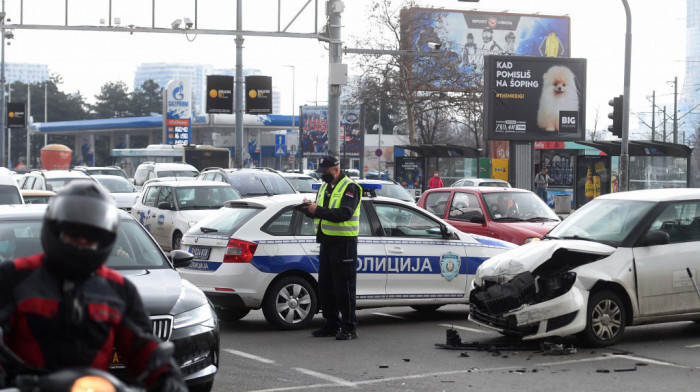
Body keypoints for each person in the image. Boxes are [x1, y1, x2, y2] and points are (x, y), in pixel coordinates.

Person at [0, 182, 186, 391]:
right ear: (55, 230)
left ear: (104, 240)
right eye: (73, 234)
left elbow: (144, 347)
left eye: (91, 238)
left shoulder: (118, 290)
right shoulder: (13, 277)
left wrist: (167, 379)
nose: (82, 242)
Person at [302, 155, 362, 341]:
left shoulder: (350, 187)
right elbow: (323, 214)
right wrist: (308, 209)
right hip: (326, 241)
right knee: (326, 287)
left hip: (344, 243)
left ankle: (349, 327)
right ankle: (331, 324)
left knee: (344, 287)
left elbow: (344, 213)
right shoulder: (325, 187)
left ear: (336, 170)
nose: (322, 176)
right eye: (321, 172)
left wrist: (317, 210)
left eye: (326, 172)